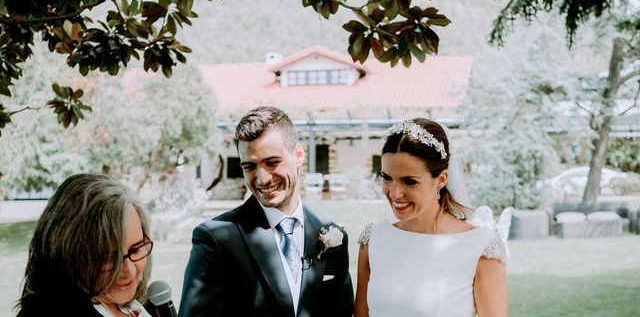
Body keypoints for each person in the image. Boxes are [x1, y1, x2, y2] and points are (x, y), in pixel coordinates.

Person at [179, 106, 353, 317]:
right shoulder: (216, 239)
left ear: (298, 155)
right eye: (249, 167)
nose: (262, 179)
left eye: (272, 163)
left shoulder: (333, 236)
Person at [354, 118, 508, 317]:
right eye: (387, 178)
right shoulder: (373, 239)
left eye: (409, 181)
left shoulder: (480, 247)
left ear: (441, 179)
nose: (395, 193)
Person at [16, 173, 154, 317]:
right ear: (68, 255)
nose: (130, 271)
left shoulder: (142, 303)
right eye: (109, 258)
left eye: (136, 249)